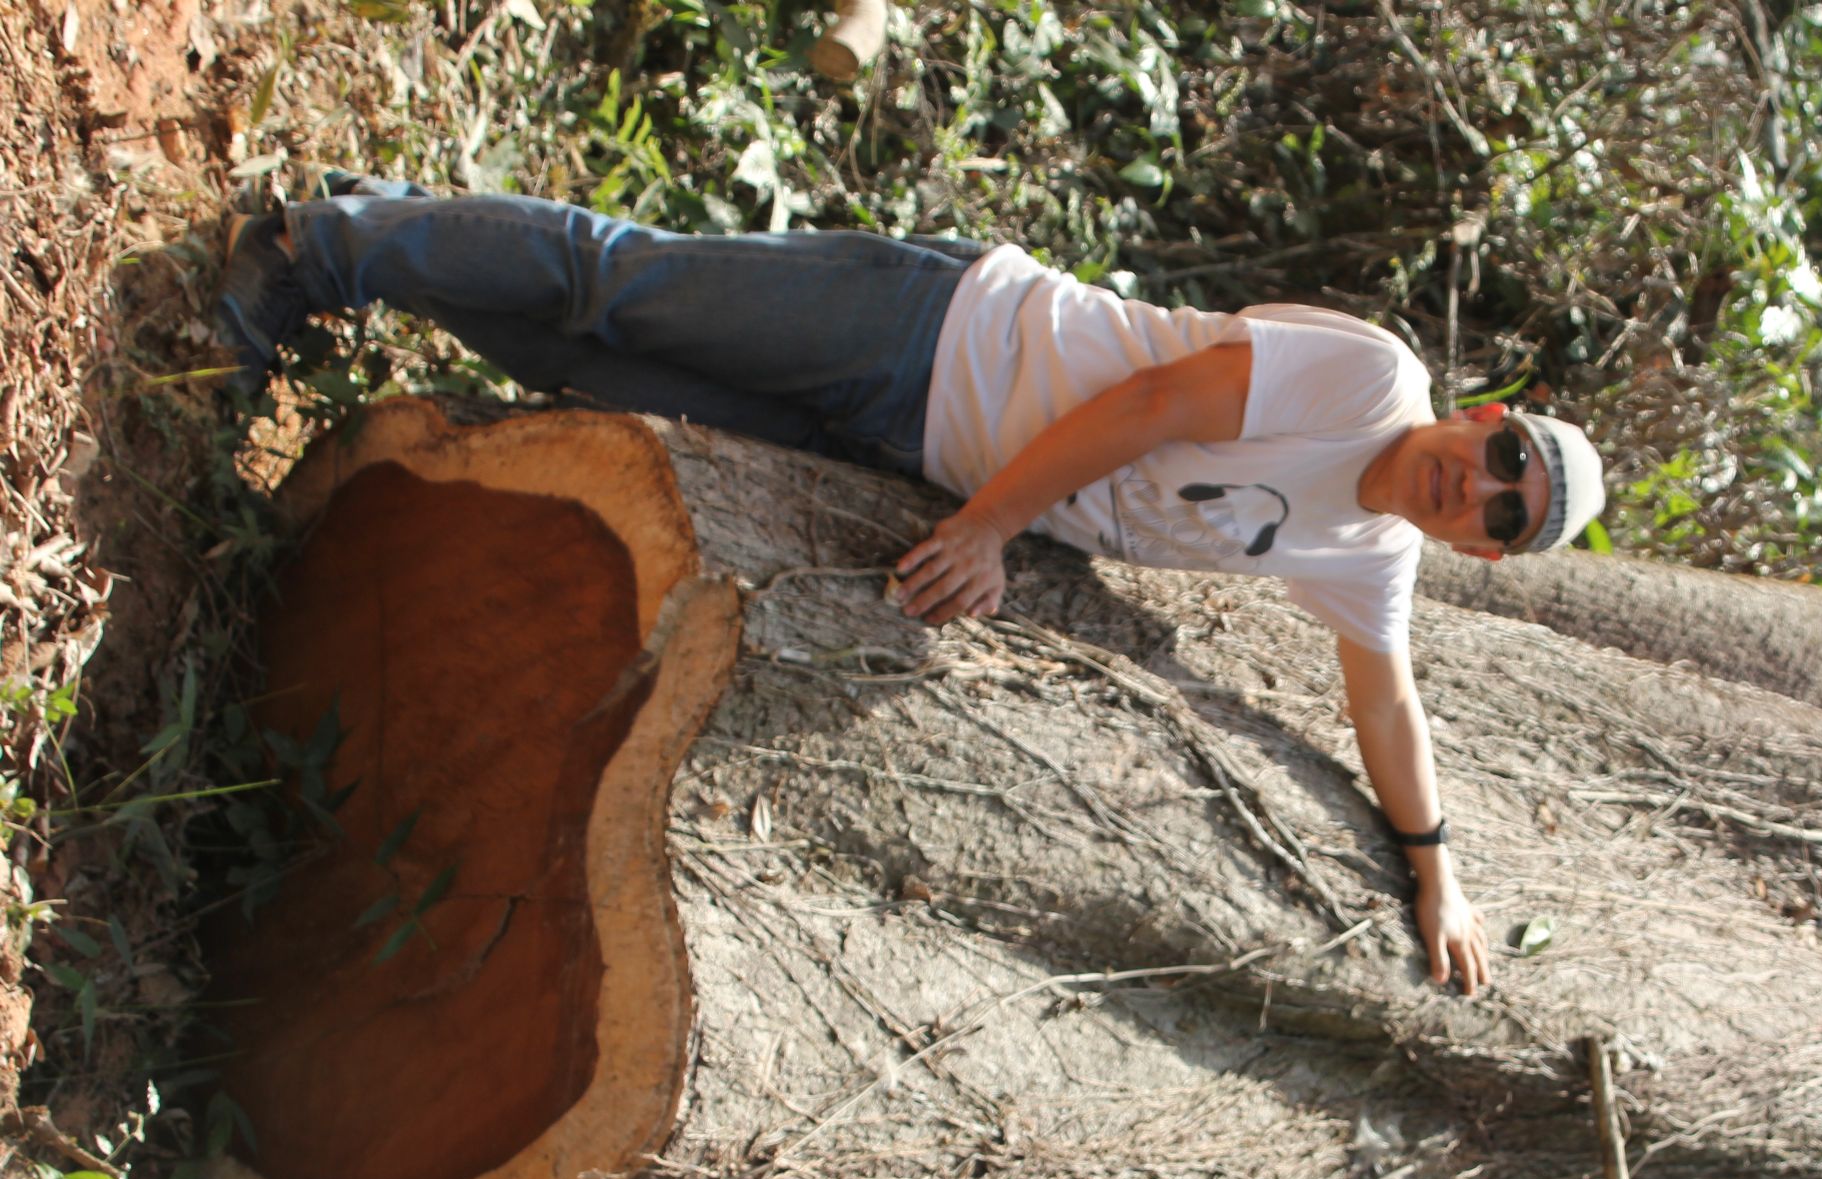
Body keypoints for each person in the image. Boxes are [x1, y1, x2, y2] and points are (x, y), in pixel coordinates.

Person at [214, 181, 1609, 993]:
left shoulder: (1369, 554)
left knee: (588, 371)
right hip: (933, 329)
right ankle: (311, 246)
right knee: (619, 285)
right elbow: (1149, 404)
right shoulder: (1371, 382)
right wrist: (992, 528)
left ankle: (387, 239)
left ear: (1483, 552)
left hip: (893, 448)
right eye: (1504, 458)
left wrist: (1437, 879)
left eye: (1506, 515)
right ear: (1489, 414)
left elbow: (1386, 704)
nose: (1478, 487)